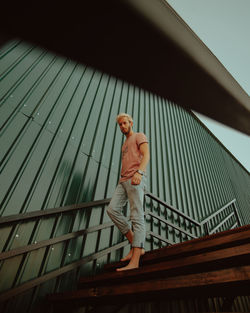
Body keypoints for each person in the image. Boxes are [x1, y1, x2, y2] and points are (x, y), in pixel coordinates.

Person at [107, 113, 150, 271]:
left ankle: (135, 261)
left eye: (125, 123)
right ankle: (135, 244)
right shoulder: (124, 145)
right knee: (112, 210)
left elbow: (146, 155)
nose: (122, 126)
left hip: (135, 178)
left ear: (131, 122)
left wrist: (139, 172)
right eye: (120, 124)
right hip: (123, 181)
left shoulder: (139, 135)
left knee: (136, 215)